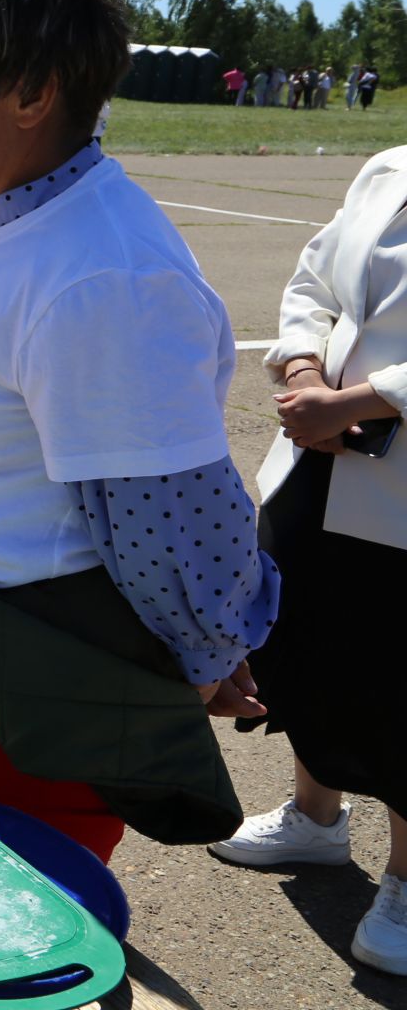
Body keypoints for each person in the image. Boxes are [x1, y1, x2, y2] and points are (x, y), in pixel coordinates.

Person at [0, 0, 279, 863]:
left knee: (8, 946)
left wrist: (209, 649)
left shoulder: (103, 275)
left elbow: (169, 512)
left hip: (32, 687)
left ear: (33, 93)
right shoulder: (9, 210)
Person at [207, 144, 407, 974]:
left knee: (396, 677)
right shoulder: (390, 167)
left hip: (395, 489)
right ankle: (315, 816)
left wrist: (359, 401)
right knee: (298, 637)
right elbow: (316, 278)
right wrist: (298, 366)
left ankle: (405, 877)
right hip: (317, 461)